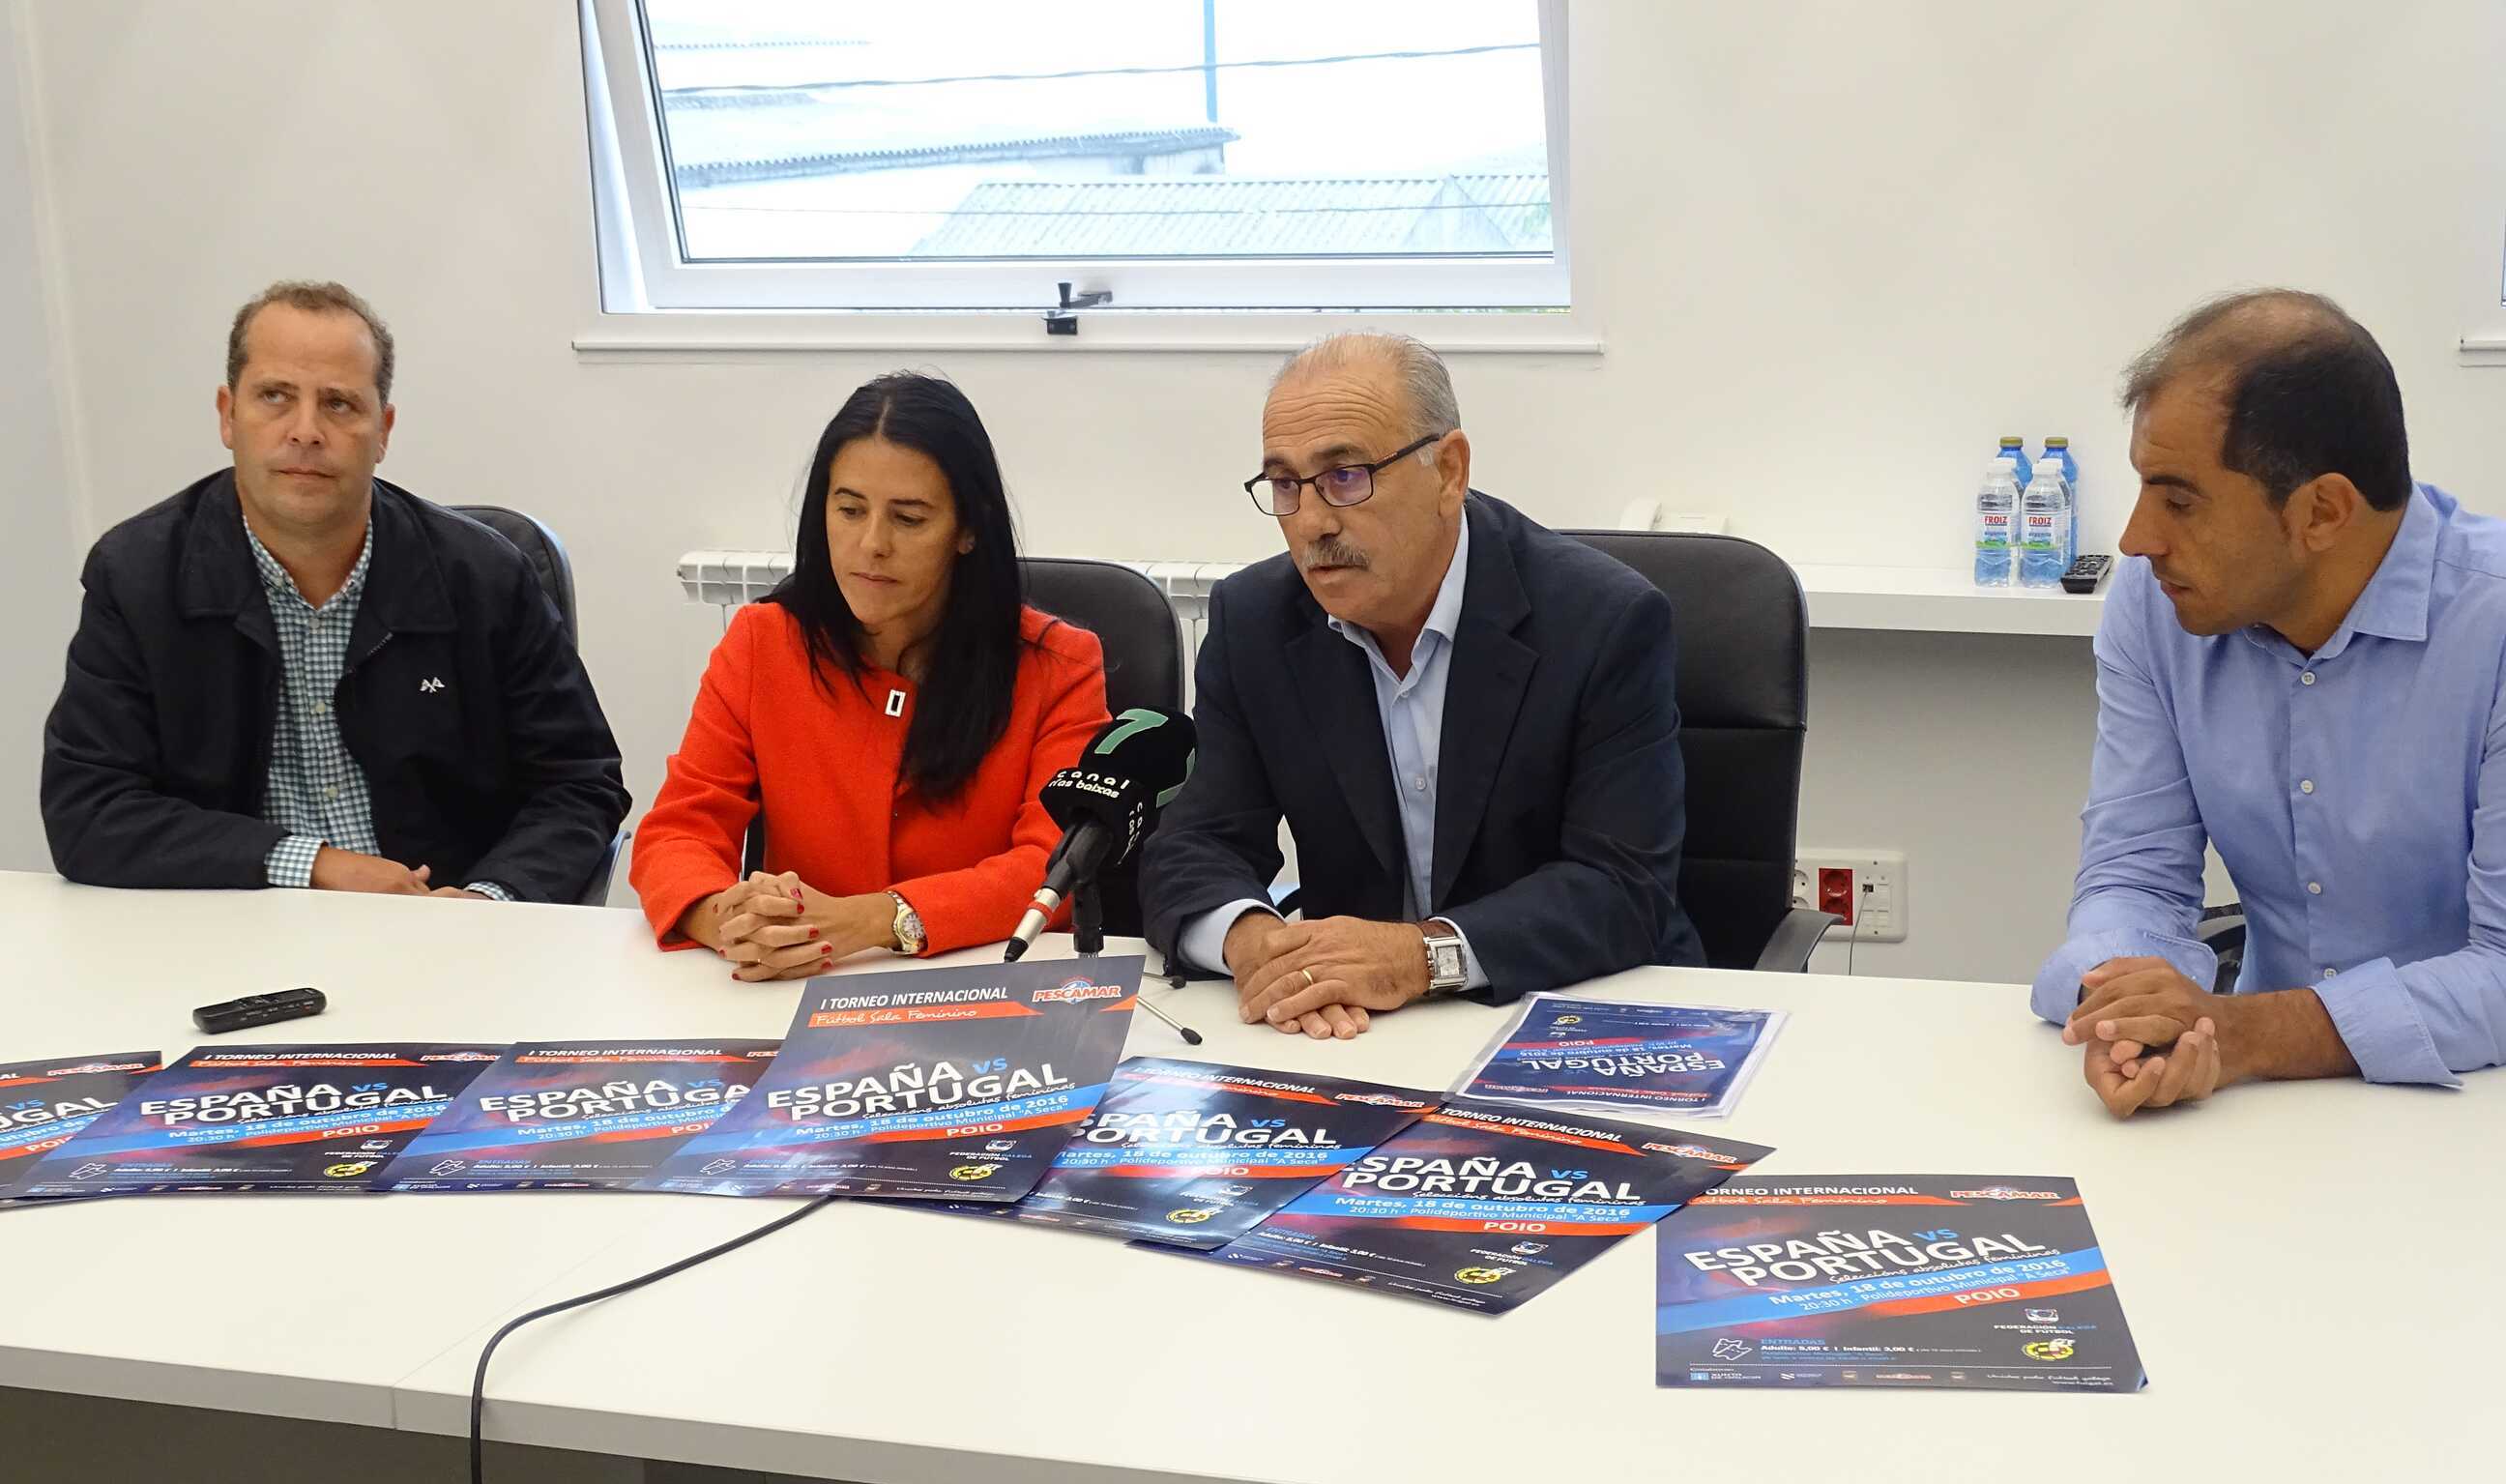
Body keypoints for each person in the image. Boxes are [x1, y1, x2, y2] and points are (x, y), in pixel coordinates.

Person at [1140, 332, 1703, 1040]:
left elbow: (1622, 887)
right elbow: (1193, 844)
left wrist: (1421, 957)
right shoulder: (1255, 620)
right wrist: (1253, 942)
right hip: (1358, 1034)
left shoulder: (1603, 620)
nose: (1311, 523)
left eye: (1346, 476)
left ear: (1449, 472)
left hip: (1572, 1015)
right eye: (1285, 485)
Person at [2035, 288, 2506, 1117]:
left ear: (2322, 512)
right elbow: (2134, 871)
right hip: (2264, 1108)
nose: (2137, 540)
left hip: (2474, 1101)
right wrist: (2129, 1008)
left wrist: (2245, 1033)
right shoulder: (2157, 604)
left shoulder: (2491, 621)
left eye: (2179, 500)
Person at [41, 279, 628, 901]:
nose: (306, 431)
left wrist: (490, 899)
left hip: (445, 925)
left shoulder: (485, 576)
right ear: (227, 415)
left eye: (340, 404)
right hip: (230, 919)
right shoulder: (138, 575)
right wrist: (311, 864)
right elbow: (90, 809)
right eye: (275, 396)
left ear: (384, 430)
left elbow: (579, 783)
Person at [628, 372, 1109, 978]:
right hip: (793, 986)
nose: (871, 544)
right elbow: (678, 832)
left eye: (908, 519)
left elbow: (1054, 869)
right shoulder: (760, 643)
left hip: (980, 984)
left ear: (968, 528)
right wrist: (731, 920)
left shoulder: (1059, 666)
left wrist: (874, 919)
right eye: (850, 510)